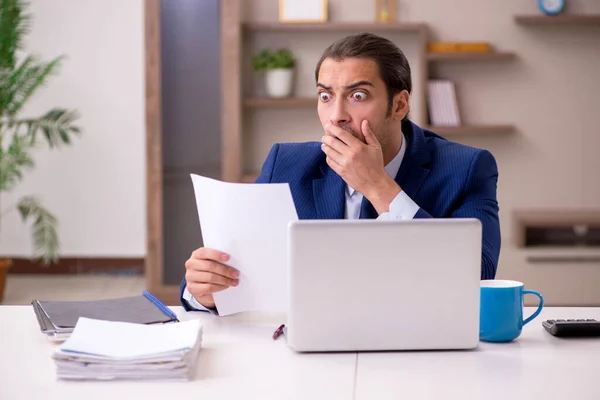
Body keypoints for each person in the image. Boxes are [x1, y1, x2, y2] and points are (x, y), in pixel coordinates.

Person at [180, 32, 501, 314]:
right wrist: (204, 292)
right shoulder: (286, 164)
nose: (336, 116)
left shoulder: (467, 168)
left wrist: (377, 186)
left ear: (400, 105)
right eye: (325, 96)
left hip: (419, 351)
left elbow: (479, 279)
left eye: (358, 96)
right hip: (309, 350)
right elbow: (233, 270)